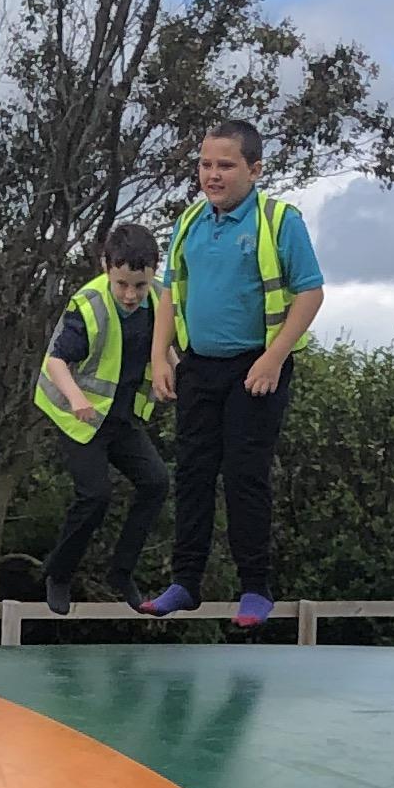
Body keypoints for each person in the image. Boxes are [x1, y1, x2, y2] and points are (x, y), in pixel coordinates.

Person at [143, 120, 323, 623]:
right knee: (192, 474)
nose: (213, 175)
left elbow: (310, 292)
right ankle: (185, 581)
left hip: (255, 368)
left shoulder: (279, 220)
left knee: (245, 475)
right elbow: (168, 293)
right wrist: (159, 357)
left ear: (254, 169)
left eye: (225, 165)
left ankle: (255, 588)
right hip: (198, 366)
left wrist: (274, 357)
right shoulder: (189, 221)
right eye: (205, 165)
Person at [33, 225, 170, 613]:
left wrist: (174, 373)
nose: (130, 295)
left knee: (157, 482)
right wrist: (77, 399)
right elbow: (56, 362)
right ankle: (58, 574)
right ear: (106, 267)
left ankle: (121, 572)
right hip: (80, 417)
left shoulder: (161, 298)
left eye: (139, 286)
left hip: (120, 417)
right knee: (95, 496)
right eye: (122, 284)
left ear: (153, 273)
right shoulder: (88, 304)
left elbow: (164, 347)